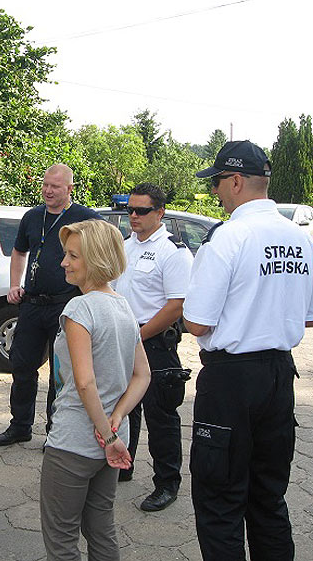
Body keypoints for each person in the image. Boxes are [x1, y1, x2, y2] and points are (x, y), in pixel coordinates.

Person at [183, 140, 313, 560]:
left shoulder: (228, 237)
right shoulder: (299, 238)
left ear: (236, 180)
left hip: (231, 382)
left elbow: (197, 322)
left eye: (218, 183)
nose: (216, 193)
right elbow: (307, 315)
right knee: (268, 500)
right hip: (278, 377)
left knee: (220, 502)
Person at [40, 219, 150, 560]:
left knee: (61, 540)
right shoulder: (122, 305)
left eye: (73, 255)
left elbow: (84, 381)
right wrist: (116, 421)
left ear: (96, 259)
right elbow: (142, 375)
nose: (64, 262)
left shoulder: (79, 308)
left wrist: (107, 433)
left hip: (76, 441)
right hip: (112, 438)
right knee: (101, 528)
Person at [0, 163, 102, 446]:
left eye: (55, 186)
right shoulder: (32, 216)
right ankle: (20, 426)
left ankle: (56, 431)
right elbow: (19, 251)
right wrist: (14, 284)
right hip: (31, 304)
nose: (48, 191)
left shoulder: (86, 218)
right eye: (45, 185)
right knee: (21, 366)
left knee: (60, 372)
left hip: (65, 305)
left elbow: (104, 253)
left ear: (70, 189)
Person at [113, 183, 193, 511]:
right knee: (124, 408)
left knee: (161, 416)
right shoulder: (124, 246)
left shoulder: (172, 251)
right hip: (123, 339)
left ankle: (167, 483)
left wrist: (141, 335)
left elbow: (177, 305)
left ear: (159, 212)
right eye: (129, 209)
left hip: (155, 343)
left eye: (141, 210)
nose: (133, 216)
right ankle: (124, 465)